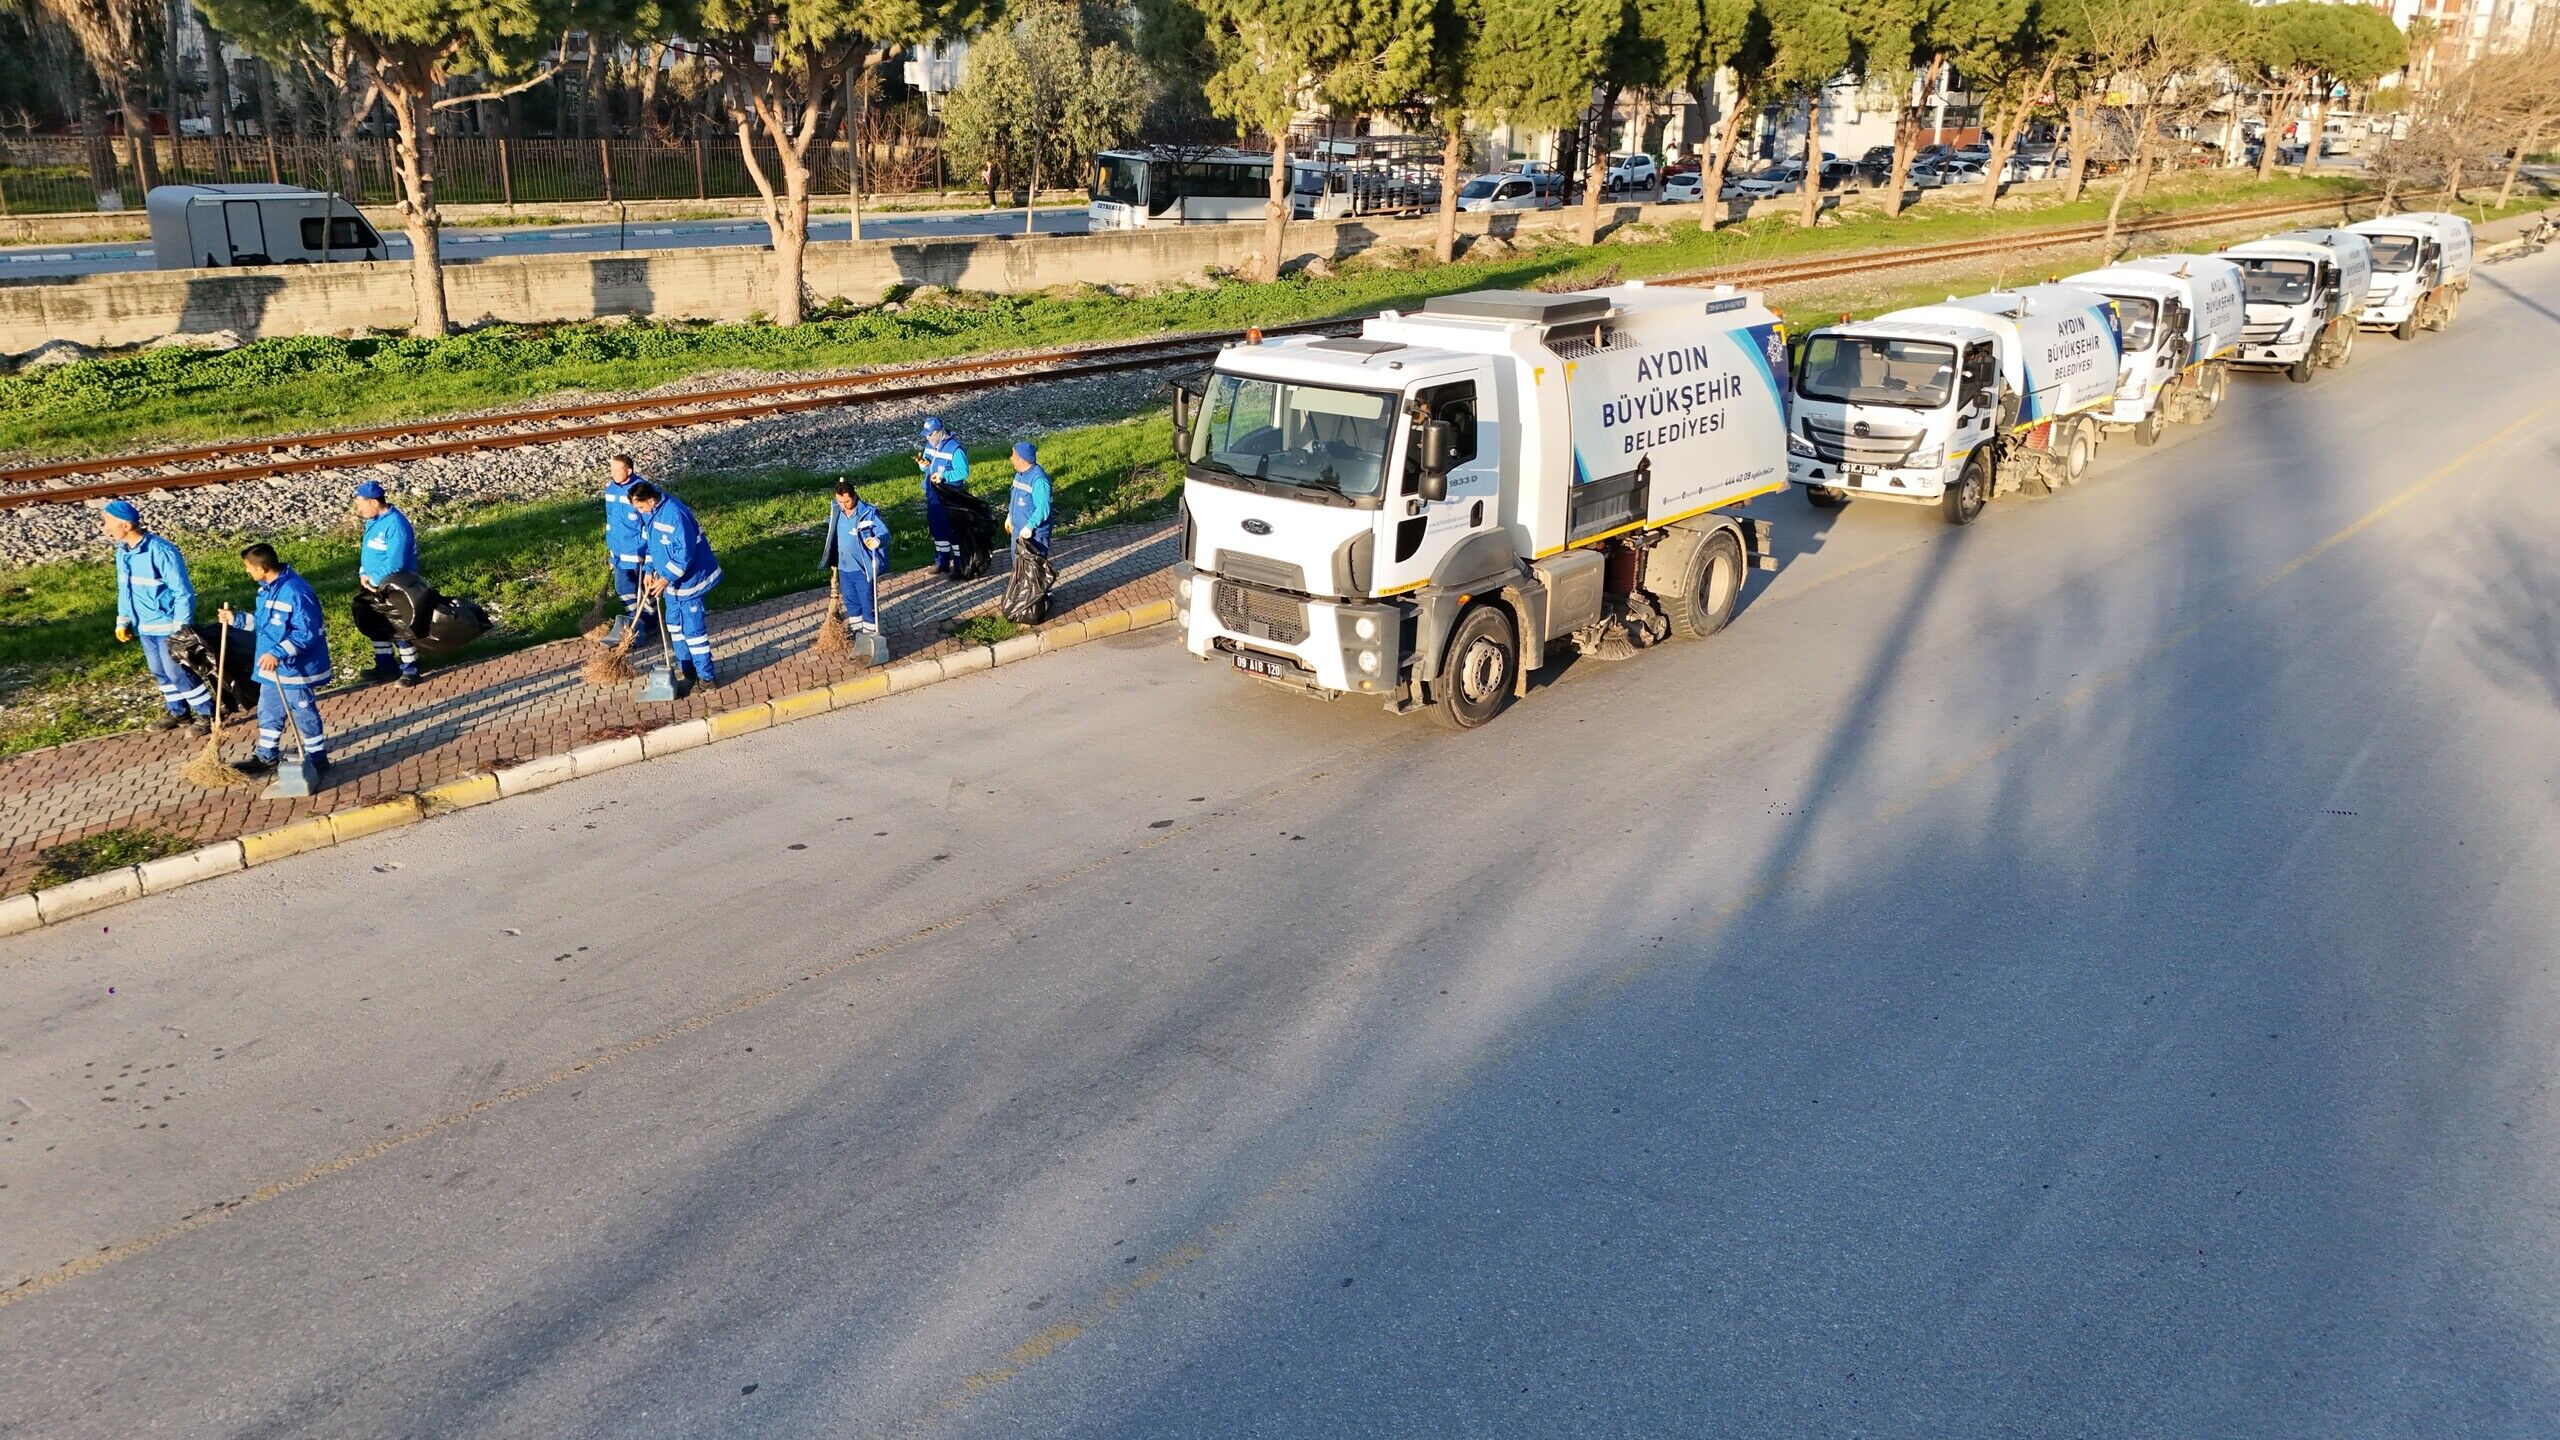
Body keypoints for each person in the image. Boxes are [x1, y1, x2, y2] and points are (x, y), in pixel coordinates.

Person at [220, 542, 331, 780]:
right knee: (268, 710)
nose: (247, 572)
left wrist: (278, 653)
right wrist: (236, 619)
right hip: (272, 666)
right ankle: (266, 756)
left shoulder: (297, 592)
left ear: (262, 568)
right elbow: (265, 625)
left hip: (295, 667)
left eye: (248, 567)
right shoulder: (267, 589)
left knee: (303, 712)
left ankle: (318, 759)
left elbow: (306, 633)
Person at [104, 498, 214, 734]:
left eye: (108, 522)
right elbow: (125, 588)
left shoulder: (161, 551)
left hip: (167, 626)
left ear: (126, 525)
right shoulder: (123, 553)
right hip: (145, 626)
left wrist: (180, 628)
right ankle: (178, 712)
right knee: (160, 671)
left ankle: (207, 713)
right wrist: (123, 619)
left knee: (177, 671)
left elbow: (183, 592)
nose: (105, 528)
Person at [630, 480, 723, 689]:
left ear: (651, 500)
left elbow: (685, 553)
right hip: (671, 582)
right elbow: (653, 544)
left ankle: (706, 678)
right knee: (674, 627)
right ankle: (688, 671)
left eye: (640, 507)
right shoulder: (650, 513)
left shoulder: (675, 514)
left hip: (691, 580)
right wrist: (648, 570)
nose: (639, 512)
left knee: (693, 631)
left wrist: (664, 579)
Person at [349, 480, 423, 686]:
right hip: (373, 585)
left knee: (399, 626)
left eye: (360, 505)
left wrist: (373, 579)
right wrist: (364, 572)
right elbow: (369, 552)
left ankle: (411, 669)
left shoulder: (396, 525)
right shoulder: (373, 521)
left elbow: (396, 563)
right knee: (376, 624)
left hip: (394, 586)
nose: (358, 509)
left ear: (373, 502)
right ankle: (385, 666)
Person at [820, 478, 890, 634]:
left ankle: (871, 635)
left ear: (855, 496)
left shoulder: (868, 513)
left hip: (863, 569)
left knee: (867, 604)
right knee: (851, 604)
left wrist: (877, 540)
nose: (844, 506)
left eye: (847, 501)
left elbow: (884, 533)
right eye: (839, 501)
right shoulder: (837, 511)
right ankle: (858, 635)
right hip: (844, 568)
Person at [602, 454, 657, 645]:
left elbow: (649, 523)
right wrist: (611, 549)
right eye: (611, 469)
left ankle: (649, 623)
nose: (612, 473)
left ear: (629, 471)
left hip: (637, 553)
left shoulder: (641, 490)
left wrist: (646, 551)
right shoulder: (610, 489)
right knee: (623, 588)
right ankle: (636, 620)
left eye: (616, 470)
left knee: (644, 591)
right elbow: (611, 520)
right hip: (618, 553)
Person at [917, 416, 969, 579]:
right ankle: (942, 562)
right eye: (926, 434)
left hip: (949, 496)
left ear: (940, 432)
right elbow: (927, 465)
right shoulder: (929, 445)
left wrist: (944, 476)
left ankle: (960, 565)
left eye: (930, 434)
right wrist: (922, 465)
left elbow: (963, 472)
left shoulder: (955, 449)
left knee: (952, 529)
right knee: (937, 529)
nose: (927, 438)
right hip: (933, 494)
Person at [1007, 440, 1053, 556]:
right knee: (1018, 566)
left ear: (1022, 459)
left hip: (1034, 535)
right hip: (1018, 531)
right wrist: (1010, 516)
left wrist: (1029, 526)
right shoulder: (1019, 474)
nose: (1011, 458)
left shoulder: (1039, 480)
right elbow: (1015, 499)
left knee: (1034, 570)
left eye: (1013, 455)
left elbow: (1043, 508)